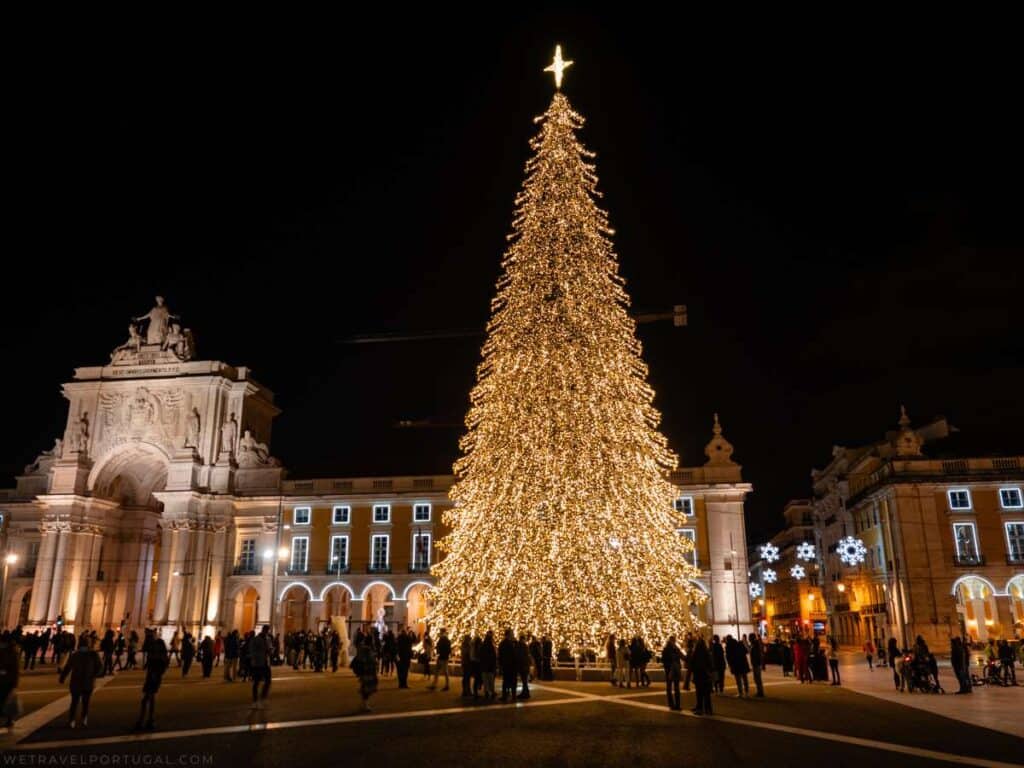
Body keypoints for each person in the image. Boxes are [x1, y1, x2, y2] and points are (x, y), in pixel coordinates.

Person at [60, 637, 102, 728]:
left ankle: (72, 720)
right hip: (88, 682)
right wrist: (94, 675)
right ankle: (84, 719)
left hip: (76, 682)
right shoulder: (93, 654)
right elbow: (99, 667)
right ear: (89, 644)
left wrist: (62, 678)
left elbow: (68, 667)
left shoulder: (75, 654)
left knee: (74, 702)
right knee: (85, 702)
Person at [134, 629, 168, 731]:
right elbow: (146, 650)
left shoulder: (158, 646)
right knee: (151, 699)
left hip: (154, 676)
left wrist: (156, 673)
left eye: (150, 635)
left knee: (146, 700)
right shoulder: (154, 646)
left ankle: (143, 721)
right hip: (152, 675)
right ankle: (149, 720)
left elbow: (161, 663)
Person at [249, 626, 272, 709]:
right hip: (258, 663)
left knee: (267, 681)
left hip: (264, 663)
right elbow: (252, 651)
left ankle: (261, 699)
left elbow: (269, 650)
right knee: (257, 682)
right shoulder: (257, 639)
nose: (267, 632)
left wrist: (269, 651)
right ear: (264, 630)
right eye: (267, 631)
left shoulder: (267, 639)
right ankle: (256, 701)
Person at [0, 632, 20, 728]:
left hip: (7, 682)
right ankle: (8, 719)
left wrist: (14, 684)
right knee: (6, 701)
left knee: (7, 702)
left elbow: (14, 669)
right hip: (5, 681)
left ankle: (8, 720)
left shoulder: (11, 652)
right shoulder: (9, 651)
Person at [690, 637, 713, 716]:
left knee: (699, 693)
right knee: (706, 694)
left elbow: (692, 664)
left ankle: (700, 708)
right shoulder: (706, 653)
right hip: (705, 675)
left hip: (698, 675)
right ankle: (708, 709)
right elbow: (710, 664)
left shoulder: (695, 653)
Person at [353, 640, 378, 711]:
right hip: (367, 676)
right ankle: (364, 704)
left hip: (367, 676)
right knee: (366, 690)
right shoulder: (366, 656)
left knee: (366, 690)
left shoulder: (365, 656)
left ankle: (363, 704)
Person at [661, 635, 682, 710]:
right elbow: (682, 657)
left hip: (669, 670)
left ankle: (672, 704)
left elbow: (663, 660)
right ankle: (677, 705)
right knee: (675, 688)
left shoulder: (666, 649)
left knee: (670, 687)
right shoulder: (675, 649)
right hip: (674, 670)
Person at [499, 629, 517, 702]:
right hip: (509, 665)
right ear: (508, 634)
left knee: (506, 680)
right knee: (510, 680)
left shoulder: (505, 643)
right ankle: (510, 695)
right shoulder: (507, 643)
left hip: (507, 665)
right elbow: (513, 654)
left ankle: (506, 695)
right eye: (512, 633)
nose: (513, 634)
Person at [479, 630, 497, 701]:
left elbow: (480, 655)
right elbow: (493, 656)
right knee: (491, 680)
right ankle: (492, 692)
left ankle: (486, 691)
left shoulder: (483, 645)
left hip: (484, 665)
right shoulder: (491, 646)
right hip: (490, 666)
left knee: (485, 680)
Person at [515, 634, 532, 699]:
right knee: (524, 681)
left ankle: (525, 693)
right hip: (525, 666)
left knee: (524, 680)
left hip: (523, 666)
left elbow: (520, 656)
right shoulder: (524, 646)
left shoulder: (521, 646)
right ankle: (526, 692)